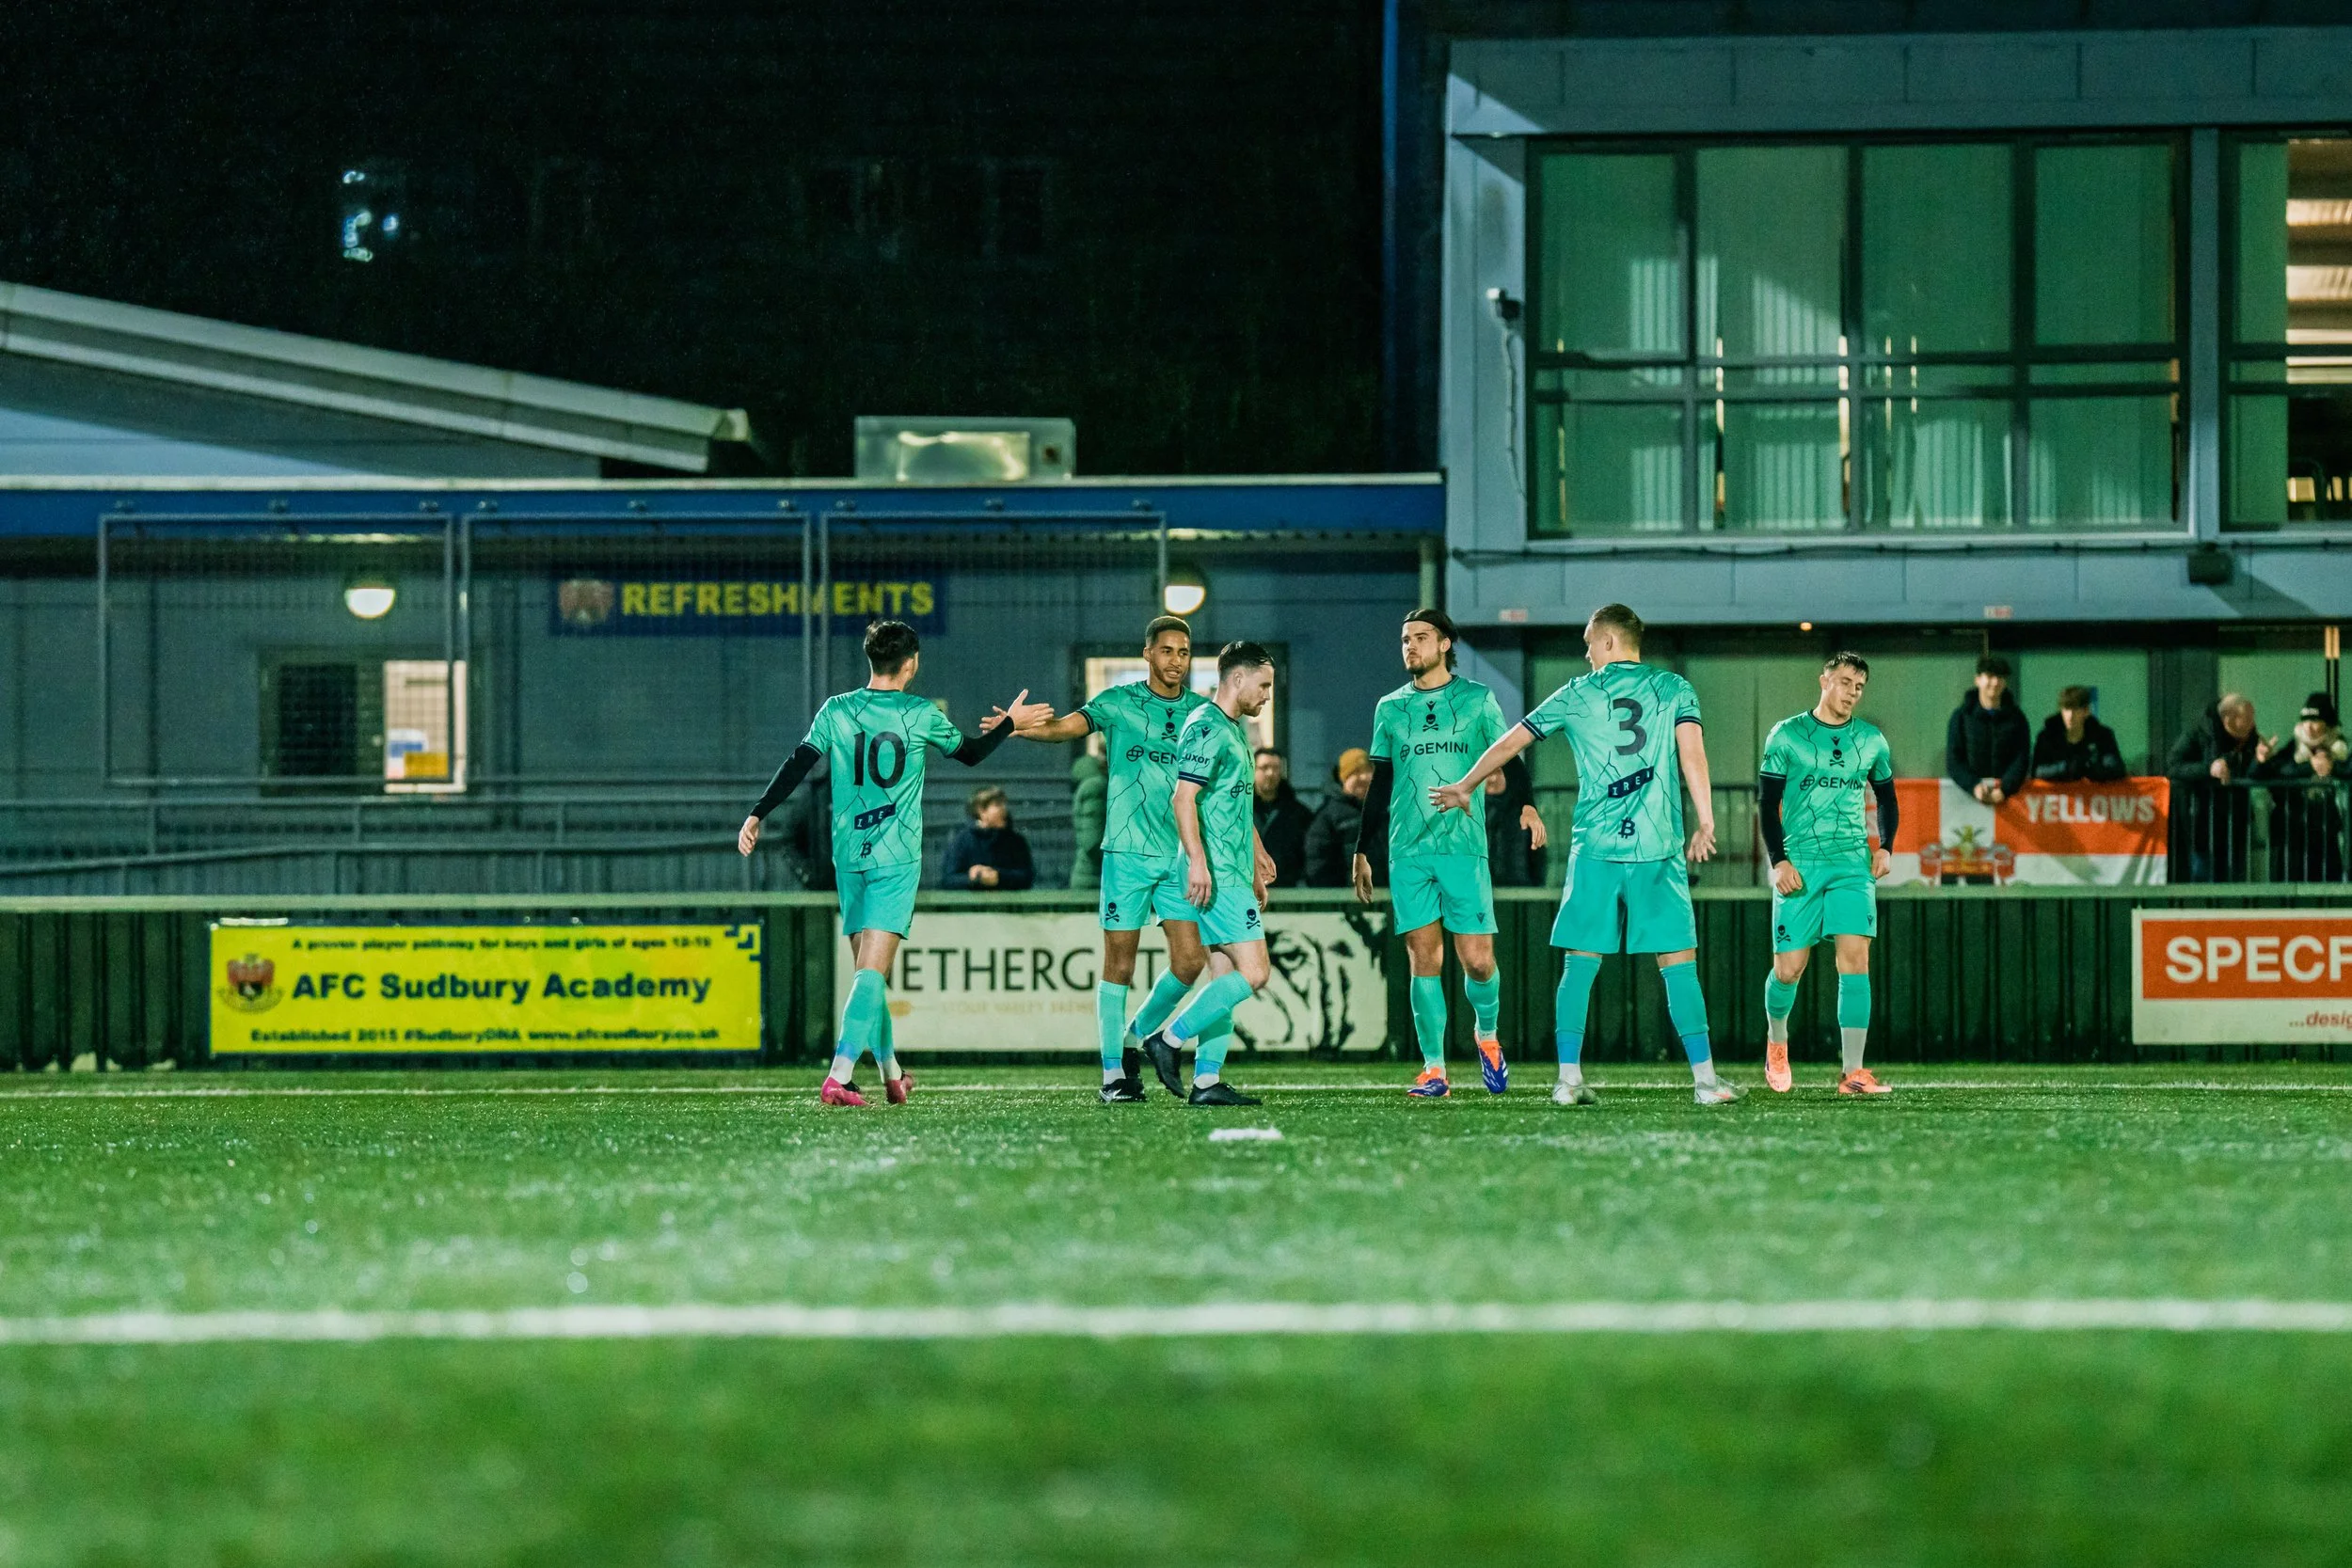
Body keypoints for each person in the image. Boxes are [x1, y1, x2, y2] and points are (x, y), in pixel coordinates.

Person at [1433, 603, 1740, 1108]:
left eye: (1588, 642)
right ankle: (1706, 1083)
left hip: (1595, 848)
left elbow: (1513, 741)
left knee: (1580, 965)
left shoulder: (1577, 693)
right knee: (1679, 966)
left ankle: (1568, 1081)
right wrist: (1705, 819)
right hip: (1657, 847)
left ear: (1609, 643)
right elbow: (1693, 755)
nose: (1586, 652)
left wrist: (1467, 784)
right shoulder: (1673, 689)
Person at [739, 620, 1049, 1106]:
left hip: (850, 857)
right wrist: (1011, 724)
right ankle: (839, 1075)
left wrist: (758, 812)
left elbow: (798, 762)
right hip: (894, 858)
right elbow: (969, 754)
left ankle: (892, 1073)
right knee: (873, 974)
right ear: (911, 664)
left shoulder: (837, 709)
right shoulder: (920, 714)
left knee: (869, 971)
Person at [1009, 616, 1269, 1102]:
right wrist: (1021, 728)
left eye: (1185, 652)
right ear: (1147, 654)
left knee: (1192, 960)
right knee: (1119, 965)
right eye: (1167, 651)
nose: (1176, 660)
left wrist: (1252, 848)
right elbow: (1067, 727)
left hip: (1183, 856)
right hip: (1126, 853)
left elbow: (1223, 791)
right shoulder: (1119, 702)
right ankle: (1114, 1075)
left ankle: (1138, 1038)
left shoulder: (1203, 713)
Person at [1352, 607, 1531, 1098]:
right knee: (1422, 959)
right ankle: (1434, 1069)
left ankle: (1487, 1035)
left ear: (1445, 644)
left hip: (1462, 847)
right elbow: (1381, 780)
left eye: (1421, 637)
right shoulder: (1390, 707)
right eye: (1406, 638)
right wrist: (1362, 848)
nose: (1411, 646)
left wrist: (1529, 805)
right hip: (1407, 850)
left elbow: (1507, 753)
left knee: (1477, 961)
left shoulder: (1476, 700)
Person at [1138, 642, 1281, 1107]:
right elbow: (1183, 799)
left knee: (1222, 973)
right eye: (1263, 685)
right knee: (1255, 972)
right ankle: (1168, 1039)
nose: (1266, 696)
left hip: (1232, 868)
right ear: (1236, 680)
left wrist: (1256, 857)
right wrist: (1199, 862)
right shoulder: (1205, 727)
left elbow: (1232, 803)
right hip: (1215, 871)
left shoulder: (1233, 729)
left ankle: (1206, 1082)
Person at [1757, 652, 1899, 1098]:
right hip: (1799, 862)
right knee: (1789, 969)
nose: (1852, 692)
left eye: (1859, 686)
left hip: (1851, 864)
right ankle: (1777, 1042)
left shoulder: (1873, 741)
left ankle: (1852, 1073)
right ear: (1824, 681)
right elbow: (1766, 804)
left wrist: (1886, 847)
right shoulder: (1786, 735)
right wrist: (1777, 860)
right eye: (1844, 682)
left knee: (1855, 960)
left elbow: (1888, 799)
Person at [2167, 694, 2277, 883]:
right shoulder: (2197, 733)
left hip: (2236, 825)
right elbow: (2173, 767)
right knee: (2203, 882)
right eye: (2248, 718)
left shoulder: (2250, 738)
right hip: (2201, 826)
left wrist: (2260, 760)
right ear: (2228, 719)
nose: (2252, 724)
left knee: (2235, 882)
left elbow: (2251, 775)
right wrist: (2208, 769)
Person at [2268, 691, 2348, 883]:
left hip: (2326, 831)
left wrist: (2333, 767)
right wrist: (2308, 766)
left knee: (2328, 884)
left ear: (2327, 724)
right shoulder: (2293, 747)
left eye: (2315, 721)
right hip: (2293, 832)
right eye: (2305, 721)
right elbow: (2277, 771)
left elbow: (2348, 769)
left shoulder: (2340, 749)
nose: (2309, 727)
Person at [1946, 655, 2031, 805]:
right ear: (1977, 680)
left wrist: (2006, 789)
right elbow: (1954, 760)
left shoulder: (2017, 718)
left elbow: (2021, 757)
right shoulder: (1961, 717)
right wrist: (1974, 785)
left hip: (2009, 802)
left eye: (2000, 677)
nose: (1995, 682)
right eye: (1990, 676)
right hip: (1968, 800)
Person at [1302, 748, 1374, 888]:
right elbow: (1318, 866)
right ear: (1343, 778)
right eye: (1356, 772)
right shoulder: (1327, 817)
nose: (1364, 777)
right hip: (1347, 903)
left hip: (1386, 901)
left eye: (1368, 771)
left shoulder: (1387, 811)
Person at [941, 786, 1035, 891]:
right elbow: (949, 880)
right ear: (981, 811)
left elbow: (1027, 877)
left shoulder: (1016, 842)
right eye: (998, 805)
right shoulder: (961, 841)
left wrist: (999, 876)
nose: (1004, 809)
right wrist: (973, 878)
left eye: (1004, 804)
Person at [2030, 687, 2129, 784]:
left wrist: (2092, 768)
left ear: (2086, 711)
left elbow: (2117, 769)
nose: (2070, 715)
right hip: (2058, 799)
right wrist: (2068, 767)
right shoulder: (2048, 736)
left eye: (2075, 709)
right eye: (2066, 709)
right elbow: (2038, 771)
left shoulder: (2102, 735)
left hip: (2092, 798)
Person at [1252, 748, 1312, 887]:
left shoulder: (1299, 813)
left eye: (1276, 768)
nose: (1271, 773)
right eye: (1264, 767)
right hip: (1246, 890)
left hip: (1287, 892)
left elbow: (1309, 854)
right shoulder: (1238, 810)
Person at [1484, 757, 1547, 889]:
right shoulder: (1473, 812)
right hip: (1485, 889)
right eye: (1487, 773)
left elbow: (1538, 855)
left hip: (1520, 889)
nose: (1492, 779)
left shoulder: (1525, 814)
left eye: (1498, 772)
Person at [1067, 752, 1105, 890]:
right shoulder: (1097, 788)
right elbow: (1093, 841)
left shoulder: (1089, 787)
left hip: (1088, 875)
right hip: (1095, 879)